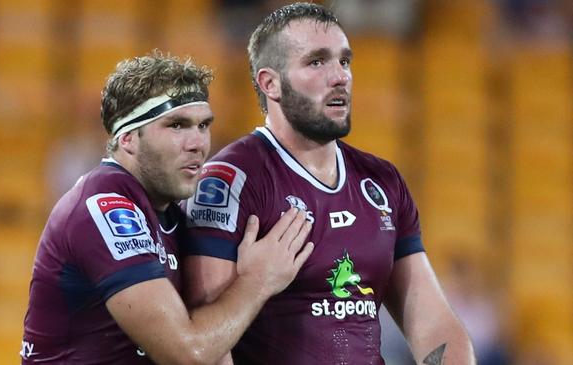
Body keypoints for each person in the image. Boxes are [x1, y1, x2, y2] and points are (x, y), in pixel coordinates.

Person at [183, 3, 476, 364]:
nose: (340, 76)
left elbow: (433, 322)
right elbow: (204, 347)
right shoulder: (228, 182)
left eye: (344, 61)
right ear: (269, 83)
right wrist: (256, 283)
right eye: (317, 62)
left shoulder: (382, 181)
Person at [20, 51, 314, 364]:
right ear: (129, 137)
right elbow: (187, 354)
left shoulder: (173, 217)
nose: (198, 143)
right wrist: (259, 280)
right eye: (177, 125)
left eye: (203, 125)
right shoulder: (103, 207)